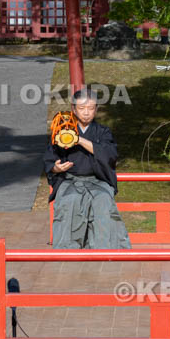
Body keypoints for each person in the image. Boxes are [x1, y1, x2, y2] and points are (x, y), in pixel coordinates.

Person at [43, 87, 131, 249]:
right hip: (70, 181)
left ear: (96, 109)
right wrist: (57, 168)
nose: (86, 113)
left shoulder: (103, 131)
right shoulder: (62, 131)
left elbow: (109, 155)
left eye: (90, 108)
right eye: (82, 108)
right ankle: (67, 249)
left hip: (97, 181)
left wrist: (79, 140)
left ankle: (104, 248)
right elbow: (50, 160)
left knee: (103, 201)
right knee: (70, 201)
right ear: (73, 109)